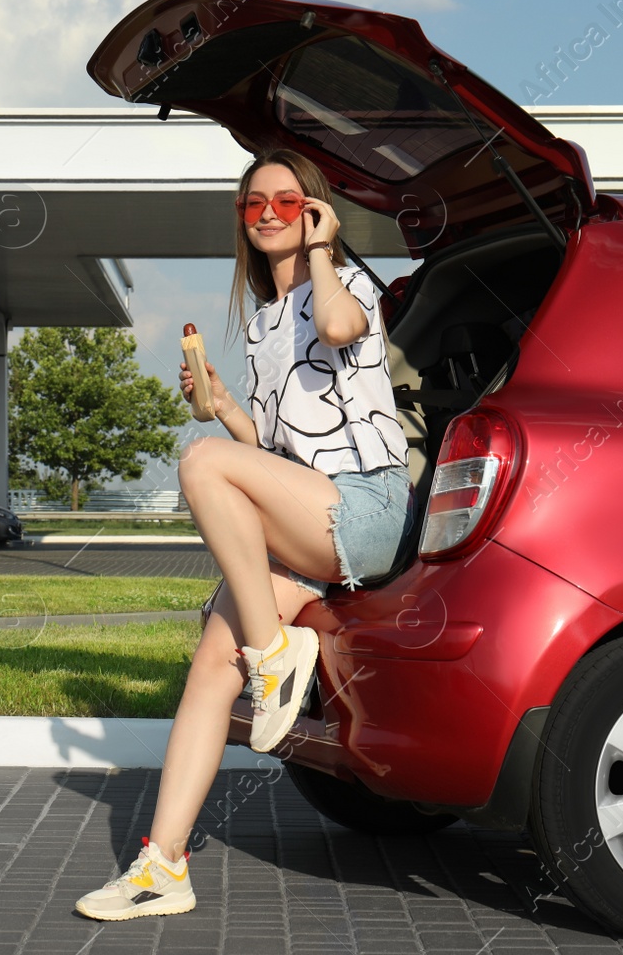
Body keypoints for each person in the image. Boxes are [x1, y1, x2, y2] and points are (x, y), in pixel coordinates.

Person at [75, 148, 416, 921]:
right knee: (207, 668)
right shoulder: (262, 324)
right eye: (251, 204)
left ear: (315, 212)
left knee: (201, 464)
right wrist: (228, 405)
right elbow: (273, 456)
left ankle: (273, 655)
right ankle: (163, 866)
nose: (266, 213)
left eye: (286, 202)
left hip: (363, 508)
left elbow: (337, 326)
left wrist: (327, 248)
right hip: (306, 515)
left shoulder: (347, 282)